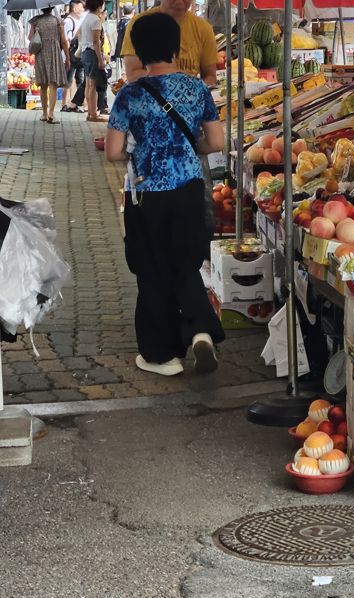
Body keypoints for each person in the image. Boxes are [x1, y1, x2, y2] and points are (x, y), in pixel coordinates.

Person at [104, 12, 225, 376]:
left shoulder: (129, 95)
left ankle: (162, 357)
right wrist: (191, 151)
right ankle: (201, 330)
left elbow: (112, 151)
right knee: (185, 263)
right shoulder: (196, 88)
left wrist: (138, 153)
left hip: (147, 195)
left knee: (152, 271)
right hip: (189, 188)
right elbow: (216, 142)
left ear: (139, 53)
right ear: (177, 47)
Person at [119, 0, 217, 86]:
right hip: (147, 99)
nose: (179, 1)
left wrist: (192, 91)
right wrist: (173, 83)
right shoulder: (140, 25)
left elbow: (210, 77)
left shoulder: (204, 28)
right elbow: (133, 73)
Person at [28, 7, 70, 124]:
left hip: (40, 53)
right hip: (54, 53)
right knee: (53, 84)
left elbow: (30, 38)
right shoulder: (58, 21)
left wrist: (37, 31)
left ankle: (44, 114)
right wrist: (67, 57)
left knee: (43, 85)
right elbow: (63, 41)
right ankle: (51, 113)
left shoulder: (35, 20)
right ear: (52, 7)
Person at [79, 0, 106, 121]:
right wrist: (100, 59)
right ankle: (93, 114)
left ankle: (90, 113)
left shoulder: (86, 18)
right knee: (93, 85)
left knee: (89, 85)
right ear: (99, 6)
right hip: (92, 53)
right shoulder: (95, 20)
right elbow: (96, 42)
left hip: (85, 52)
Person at [61, 0, 85, 112]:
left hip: (77, 54)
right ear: (74, 9)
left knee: (79, 79)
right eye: (81, 7)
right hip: (70, 54)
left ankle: (73, 104)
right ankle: (64, 104)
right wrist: (67, 57)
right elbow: (65, 40)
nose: (83, 9)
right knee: (68, 80)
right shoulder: (68, 21)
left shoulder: (78, 20)